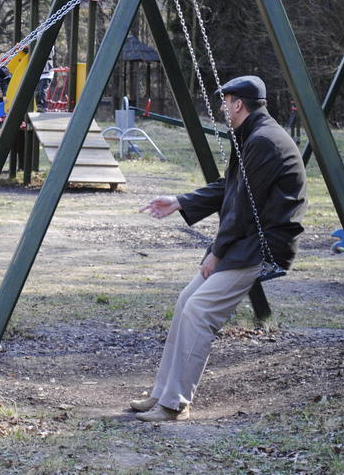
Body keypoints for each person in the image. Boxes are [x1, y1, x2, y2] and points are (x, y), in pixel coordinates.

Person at [131, 75, 307, 422]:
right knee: (187, 301)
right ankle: (161, 393)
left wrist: (216, 251)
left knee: (200, 310)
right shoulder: (254, 135)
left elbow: (244, 205)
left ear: (238, 104)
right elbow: (230, 187)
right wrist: (180, 202)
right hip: (247, 240)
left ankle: (175, 403)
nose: (223, 108)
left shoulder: (264, 141)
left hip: (263, 245)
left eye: (225, 102)